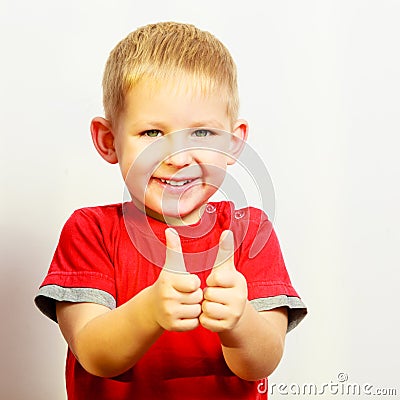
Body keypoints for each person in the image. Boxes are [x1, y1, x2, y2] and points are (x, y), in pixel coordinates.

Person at [35, 21, 307, 400]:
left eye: (201, 133)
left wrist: (239, 320)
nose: (178, 157)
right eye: (152, 133)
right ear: (108, 140)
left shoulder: (251, 232)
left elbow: (261, 363)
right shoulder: (90, 230)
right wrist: (150, 310)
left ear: (233, 143)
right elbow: (95, 355)